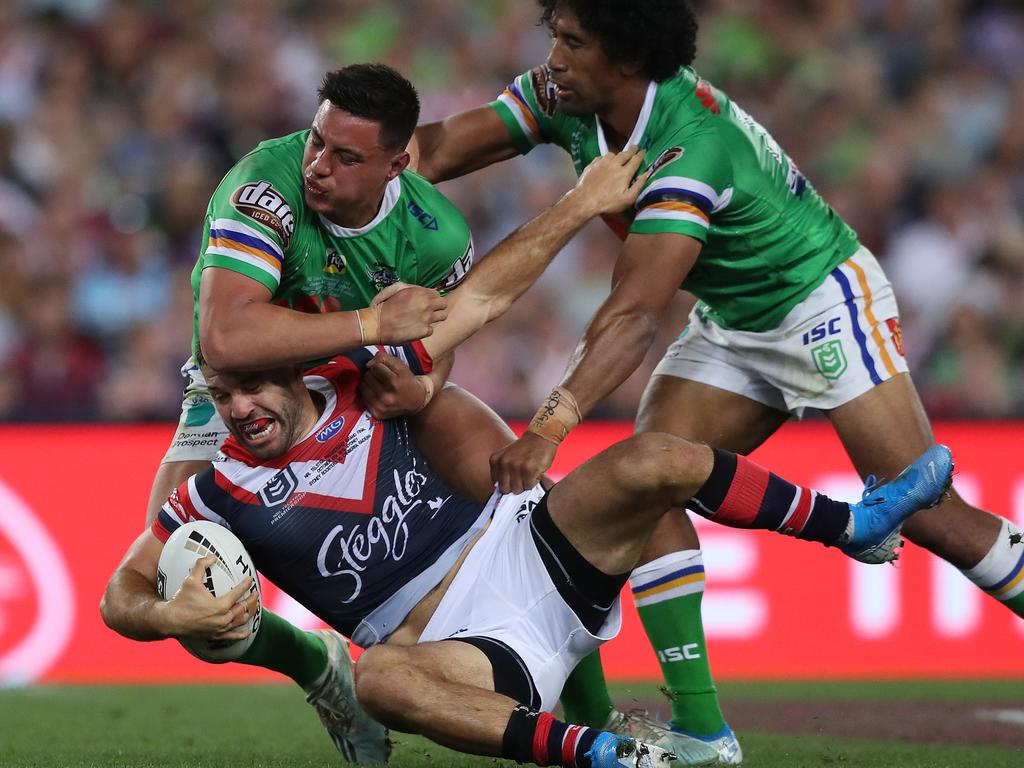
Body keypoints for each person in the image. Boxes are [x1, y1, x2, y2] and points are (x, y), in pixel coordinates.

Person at [101, 148, 954, 768]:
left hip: (533, 552)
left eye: (253, 388)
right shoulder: (209, 496)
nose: (241, 408)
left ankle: (854, 522)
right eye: (222, 394)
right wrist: (175, 619)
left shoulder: (363, 377)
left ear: (292, 368)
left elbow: (482, 297)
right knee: (383, 682)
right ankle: (601, 753)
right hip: (462, 645)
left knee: (652, 455)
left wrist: (580, 206)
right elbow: (121, 594)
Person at [409, 0, 1024, 762]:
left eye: (574, 42)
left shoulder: (689, 149)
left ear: (627, 61)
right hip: (735, 317)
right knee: (650, 476)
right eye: (556, 39)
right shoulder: (564, 96)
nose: (555, 59)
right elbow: (432, 150)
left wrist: (552, 423)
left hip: (815, 297)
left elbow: (635, 313)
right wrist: (347, 161)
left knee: (931, 514)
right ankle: (703, 733)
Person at [139, 63, 489, 761]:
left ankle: (602, 715)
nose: (317, 166)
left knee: (503, 480)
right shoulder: (263, 188)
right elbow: (227, 339)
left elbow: (440, 338)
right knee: (178, 583)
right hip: (238, 391)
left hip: (357, 381)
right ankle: (317, 667)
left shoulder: (438, 235)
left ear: (397, 164)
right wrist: (369, 323)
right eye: (315, 141)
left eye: (345, 156)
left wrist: (422, 385)